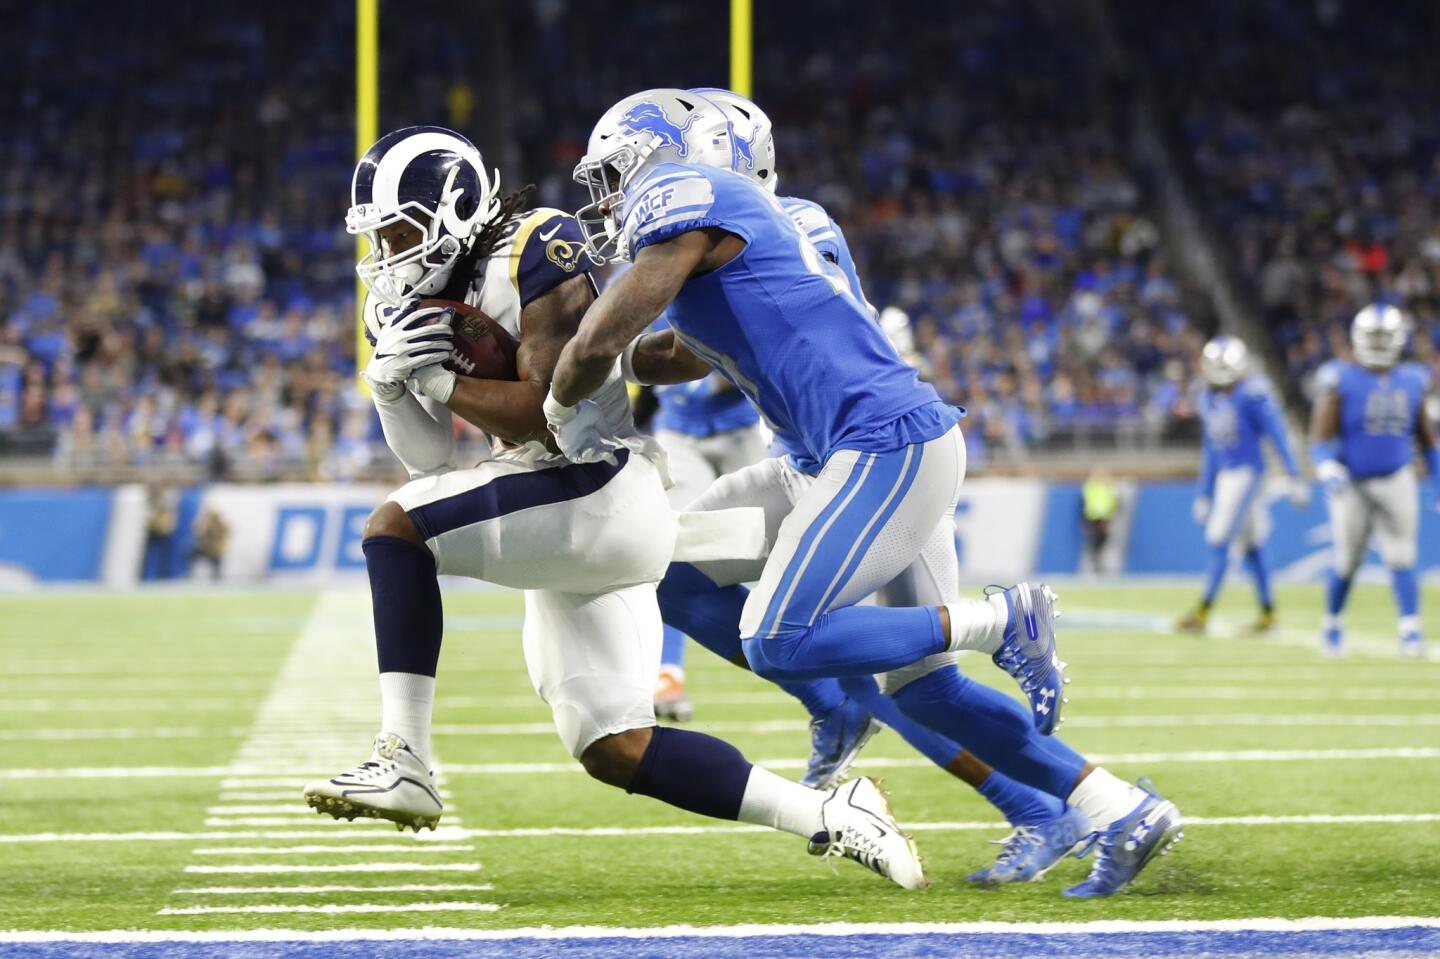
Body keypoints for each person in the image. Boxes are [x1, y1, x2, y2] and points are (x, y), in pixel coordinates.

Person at [544, 89, 1182, 897]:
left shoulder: (705, 199)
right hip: (826, 460)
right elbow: (683, 353)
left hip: (878, 449)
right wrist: (617, 354)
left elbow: (609, 332)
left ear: (690, 155)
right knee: (684, 572)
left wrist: (559, 388)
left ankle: (995, 620)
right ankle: (1114, 805)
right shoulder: (771, 223)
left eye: (622, 171)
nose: (611, 195)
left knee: (778, 635)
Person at [304, 125, 927, 891]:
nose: (388, 252)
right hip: (551, 508)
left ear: (455, 209)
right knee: (614, 746)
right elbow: (430, 460)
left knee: (394, 524)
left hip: (599, 485)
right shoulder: (401, 300)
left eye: (400, 230)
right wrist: (391, 383)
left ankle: (404, 755)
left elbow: (545, 411)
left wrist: (437, 381)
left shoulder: (538, 247)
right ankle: (831, 814)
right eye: (379, 236)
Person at [646, 325, 770, 723]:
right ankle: (667, 675)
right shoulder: (631, 282)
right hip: (678, 429)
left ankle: (840, 657)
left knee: (783, 543)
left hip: (744, 424)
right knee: (670, 551)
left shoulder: (732, 267)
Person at [1310, 305, 1438, 657]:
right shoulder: (1340, 378)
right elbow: (1320, 438)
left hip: (1397, 477)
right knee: (1347, 560)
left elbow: (1427, 440)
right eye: (1374, 337)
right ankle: (1332, 626)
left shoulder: (1413, 378)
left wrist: (1438, 477)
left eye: (1385, 337)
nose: (1379, 344)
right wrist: (1325, 466)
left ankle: (1410, 632)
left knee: (1402, 556)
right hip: (1352, 481)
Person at [1178, 336, 1307, 634]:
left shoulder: (1253, 392)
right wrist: (1205, 491)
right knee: (1252, 545)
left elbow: (1278, 434)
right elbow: (1211, 449)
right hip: (1227, 473)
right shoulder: (1207, 397)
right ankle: (1268, 614)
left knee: (1219, 537)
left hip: (1249, 472)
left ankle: (1202, 611)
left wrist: (1293, 473)